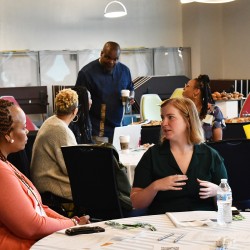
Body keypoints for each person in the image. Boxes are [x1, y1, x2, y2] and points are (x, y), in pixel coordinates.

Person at [0, 99, 89, 250]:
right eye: (23, 128)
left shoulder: (5, 164)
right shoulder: (1, 171)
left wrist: (72, 222)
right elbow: (31, 226)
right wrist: (72, 224)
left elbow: (40, 208)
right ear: (8, 135)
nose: (27, 131)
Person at [131, 97, 227, 215]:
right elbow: (136, 202)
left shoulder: (210, 155)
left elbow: (227, 200)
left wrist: (218, 191)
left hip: (204, 224)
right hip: (164, 225)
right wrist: (155, 186)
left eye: (170, 117)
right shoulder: (152, 155)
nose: (163, 123)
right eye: (162, 118)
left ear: (188, 121)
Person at [75, 41, 135, 143]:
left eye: (115, 59)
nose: (111, 62)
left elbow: (131, 88)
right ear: (101, 53)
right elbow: (79, 102)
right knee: (102, 159)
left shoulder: (124, 71)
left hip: (119, 128)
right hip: (97, 131)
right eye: (107, 57)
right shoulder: (86, 73)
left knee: (120, 158)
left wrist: (131, 97)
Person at [31, 88, 78, 201]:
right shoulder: (61, 130)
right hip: (52, 186)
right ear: (75, 111)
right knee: (98, 186)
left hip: (42, 181)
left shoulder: (50, 121)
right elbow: (72, 168)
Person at [182, 74, 226, 141]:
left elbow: (218, 142)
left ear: (196, 91)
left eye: (187, 86)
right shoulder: (181, 110)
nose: (184, 88)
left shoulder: (213, 111)